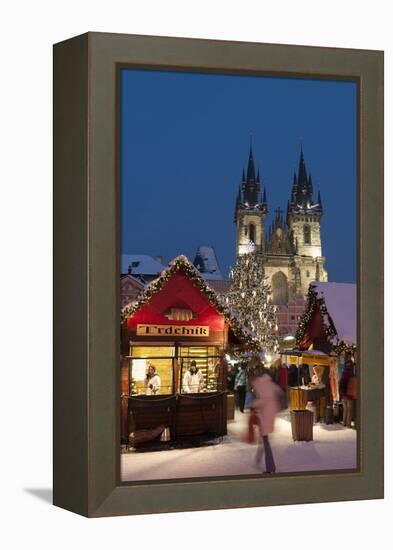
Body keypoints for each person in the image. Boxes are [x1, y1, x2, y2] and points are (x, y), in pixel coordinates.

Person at [252, 366, 282, 474]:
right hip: (269, 416)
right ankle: (258, 459)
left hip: (265, 417)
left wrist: (254, 404)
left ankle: (270, 467)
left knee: (265, 441)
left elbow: (263, 400)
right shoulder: (269, 383)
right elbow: (279, 392)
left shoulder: (262, 385)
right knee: (263, 439)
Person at [340, 360, 356, 427]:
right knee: (349, 411)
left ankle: (344, 423)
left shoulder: (343, 374)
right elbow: (352, 386)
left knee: (345, 410)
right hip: (349, 395)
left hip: (343, 395)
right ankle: (348, 424)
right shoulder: (351, 375)